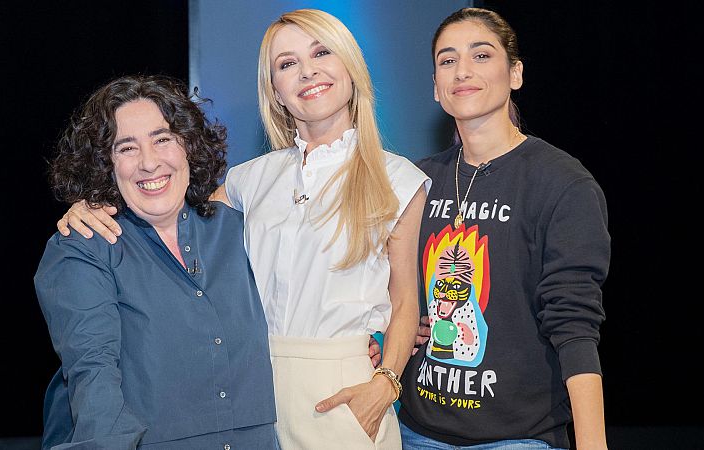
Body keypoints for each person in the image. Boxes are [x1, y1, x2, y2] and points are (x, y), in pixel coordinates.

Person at [57, 9, 430, 449]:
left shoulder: (399, 179)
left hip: (344, 396)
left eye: (321, 52)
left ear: (350, 64)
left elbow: (405, 298)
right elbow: (163, 205)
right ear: (276, 91)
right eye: (286, 64)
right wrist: (93, 201)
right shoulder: (248, 179)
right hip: (252, 396)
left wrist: (385, 383)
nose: (307, 71)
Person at [396, 7, 610, 450]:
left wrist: (592, 443)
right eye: (447, 60)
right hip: (413, 433)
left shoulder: (562, 183)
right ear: (436, 88)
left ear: (515, 74)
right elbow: (391, 293)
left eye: (481, 55)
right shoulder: (414, 180)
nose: (462, 72)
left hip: (517, 438)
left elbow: (574, 323)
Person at [35, 74, 278, 449]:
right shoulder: (84, 247)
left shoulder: (240, 231)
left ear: (188, 146)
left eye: (162, 139)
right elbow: (93, 375)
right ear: (105, 163)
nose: (149, 163)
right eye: (126, 148)